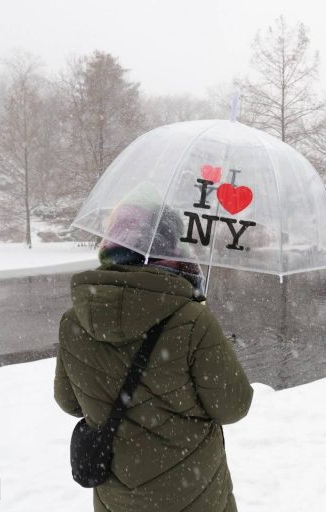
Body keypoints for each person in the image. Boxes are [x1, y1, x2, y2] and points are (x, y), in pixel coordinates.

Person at [54, 184, 253, 512]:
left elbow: (70, 402)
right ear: (169, 244)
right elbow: (234, 406)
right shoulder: (192, 319)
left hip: (117, 495)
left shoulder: (75, 321)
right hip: (194, 493)